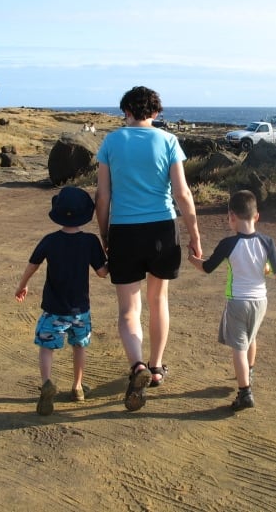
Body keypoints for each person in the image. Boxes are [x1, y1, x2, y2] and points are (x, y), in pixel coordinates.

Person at [95, 86, 201, 412]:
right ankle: (155, 368)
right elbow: (182, 193)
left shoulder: (112, 142)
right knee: (158, 301)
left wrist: (104, 236)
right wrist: (194, 233)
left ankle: (137, 366)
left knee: (129, 310)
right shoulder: (168, 141)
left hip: (124, 230)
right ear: (156, 113)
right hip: (162, 229)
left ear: (126, 110)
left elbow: (103, 196)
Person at [15, 186, 108, 416]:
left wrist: (22, 284)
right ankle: (77, 387)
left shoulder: (50, 241)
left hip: (53, 310)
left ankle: (47, 383)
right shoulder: (90, 242)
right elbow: (102, 273)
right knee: (79, 346)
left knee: (46, 347)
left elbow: (33, 264)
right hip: (80, 310)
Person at [188, 190, 276, 411]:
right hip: (260, 300)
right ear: (256, 216)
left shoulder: (228, 244)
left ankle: (245, 392)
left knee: (238, 347)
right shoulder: (267, 242)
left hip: (238, 301)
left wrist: (192, 258)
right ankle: (249, 372)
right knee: (251, 338)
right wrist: (267, 268)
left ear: (231, 216)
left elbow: (207, 267)